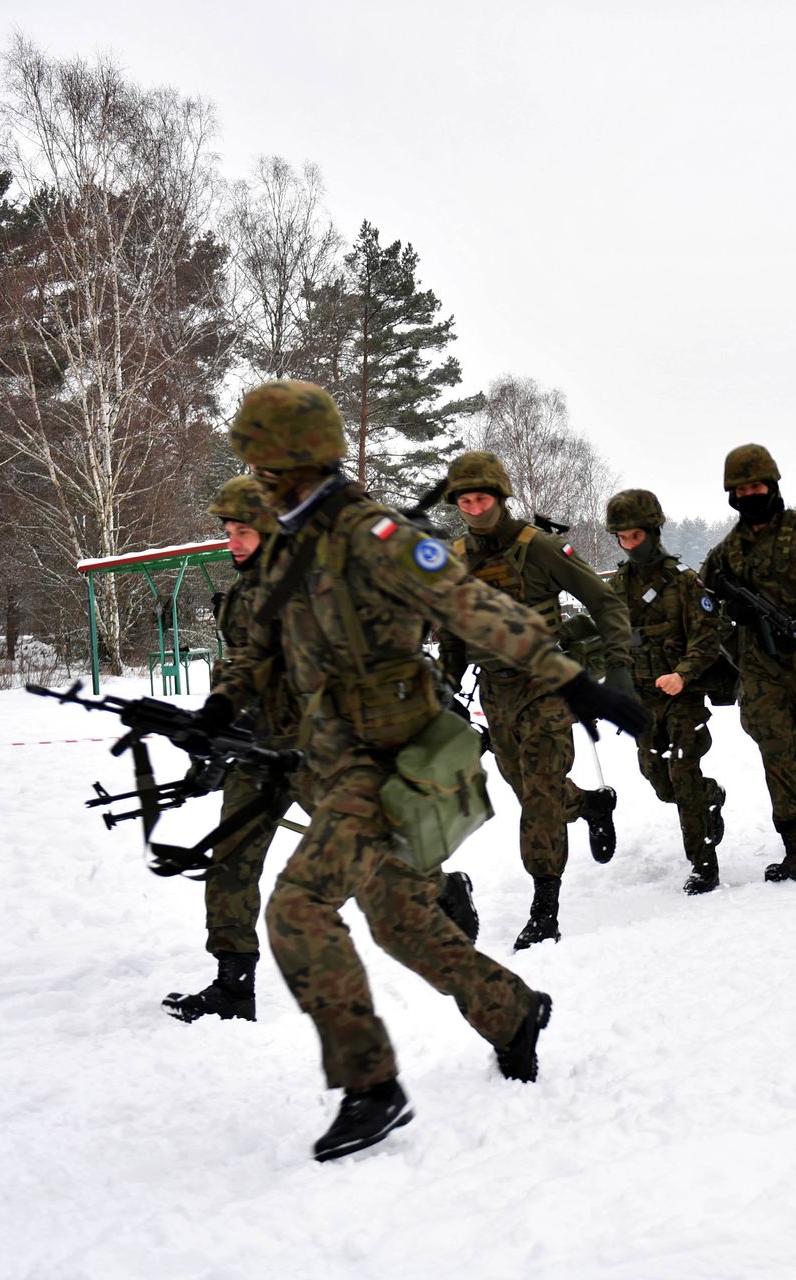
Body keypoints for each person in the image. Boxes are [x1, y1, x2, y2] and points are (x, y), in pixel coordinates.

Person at [208, 379, 647, 1161]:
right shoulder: (288, 546)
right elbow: (261, 644)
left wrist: (573, 680)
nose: (260, 477)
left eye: (263, 462)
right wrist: (218, 707)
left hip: (392, 761)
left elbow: (471, 604)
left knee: (298, 908)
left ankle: (371, 1087)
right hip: (333, 754)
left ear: (291, 459)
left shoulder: (376, 535)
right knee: (401, 923)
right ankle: (512, 1011)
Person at [437, 451, 634, 951]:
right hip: (497, 692)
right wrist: (447, 685)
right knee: (529, 791)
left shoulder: (540, 548)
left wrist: (619, 669)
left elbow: (604, 600)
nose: (475, 507)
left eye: (482, 497)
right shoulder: (456, 557)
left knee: (541, 794)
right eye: (465, 499)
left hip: (546, 685)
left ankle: (544, 908)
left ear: (500, 498)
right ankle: (591, 803)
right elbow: (454, 629)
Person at [162, 476, 308, 1023]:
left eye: (245, 530)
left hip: (315, 750)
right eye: (229, 531)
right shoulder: (245, 592)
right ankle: (233, 987)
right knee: (231, 862)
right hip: (259, 750)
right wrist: (216, 739)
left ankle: (440, 891)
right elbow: (241, 671)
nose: (234, 541)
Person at [701, 444, 796, 884]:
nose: (750, 494)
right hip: (761, 669)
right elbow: (703, 597)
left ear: (773, 485)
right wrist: (731, 618)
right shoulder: (728, 550)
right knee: (778, 755)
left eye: (757, 486)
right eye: (742, 488)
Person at [604, 488, 730, 894]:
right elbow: (607, 639)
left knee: (683, 771)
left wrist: (683, 673)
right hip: (642, 697)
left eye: (635, 536)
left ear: (653, 532)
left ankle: (703, 862)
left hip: (682, 696)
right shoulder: (618, 585)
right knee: (660, 781)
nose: (629, 544)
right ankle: (712, 796)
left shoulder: (684, 582)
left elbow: (707, 639)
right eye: (622, 537)